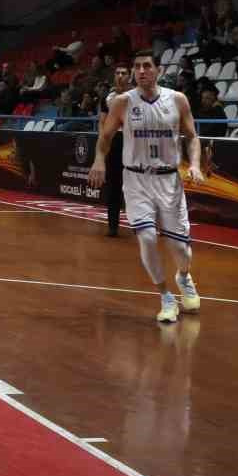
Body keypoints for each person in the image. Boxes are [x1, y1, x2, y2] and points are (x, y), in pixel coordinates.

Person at [87, 50, 202, 323]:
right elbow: (105, 137)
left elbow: (192, 136)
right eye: (136, 66)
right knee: (147, 237)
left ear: (158, 70)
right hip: (136, 178)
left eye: (147, 66)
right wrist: (99, 160)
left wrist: (195, 164)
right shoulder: (122, 102)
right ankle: (166, 297)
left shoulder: (177, 100)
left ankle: (183, 276)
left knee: (181, 250)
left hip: (169, 180)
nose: (141, 71)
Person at [101, 65, 130, 237]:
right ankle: (113, 225)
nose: (120, 76)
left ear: (129, 76)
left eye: (124, 73)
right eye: (117, 73)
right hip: (114, 142)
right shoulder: (107, 97)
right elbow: (102, 122)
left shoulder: (137, 96)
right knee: (113, 184)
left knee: (139, 184)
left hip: (133, 143)